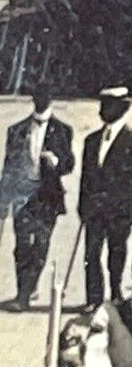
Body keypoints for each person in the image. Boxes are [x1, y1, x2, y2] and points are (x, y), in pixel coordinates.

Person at [0, 87, 74, 311]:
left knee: (41, 245)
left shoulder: (62, 130)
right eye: (38, 97)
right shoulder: (17, 130)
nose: (41, 100)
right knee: (22, 246)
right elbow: (8, 167)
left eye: (45, 96)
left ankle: (25, 294)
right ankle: (25, 289)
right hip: (23, 195)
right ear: (34, 99)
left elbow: (69, 164)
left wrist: (56, 161)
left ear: (51, 98)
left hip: (48, 196)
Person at [79, 88, 132, 309]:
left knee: (116, 254)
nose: (103, 110)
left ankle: (116, 294)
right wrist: (83, 207)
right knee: (91, 254)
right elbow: (86, 178)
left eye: (108, 105)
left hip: (119, 211)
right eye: (102, 104)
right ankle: (94, 299)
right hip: (95, 211)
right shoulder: (91, 140)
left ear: (123, 108)